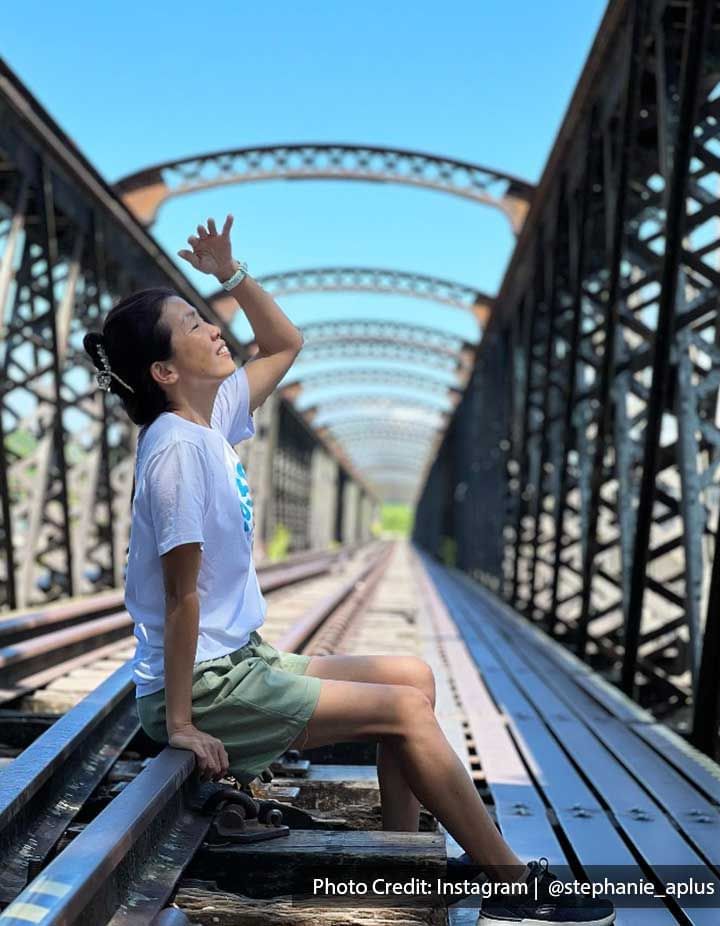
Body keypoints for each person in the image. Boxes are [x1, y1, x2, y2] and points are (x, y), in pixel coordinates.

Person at [83, 215, 615, 926]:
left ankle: (399, 862)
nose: (214, 326)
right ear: (164, 371)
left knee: (415, 677)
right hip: (209, 686)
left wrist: (231, 274)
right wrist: (178, 720)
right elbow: (181, 596)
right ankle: (512, 882)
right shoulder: (177, 449)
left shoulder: (211, 419)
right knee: (404, 712)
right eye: (193, 324)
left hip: (242, 661)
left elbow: (285, 343)